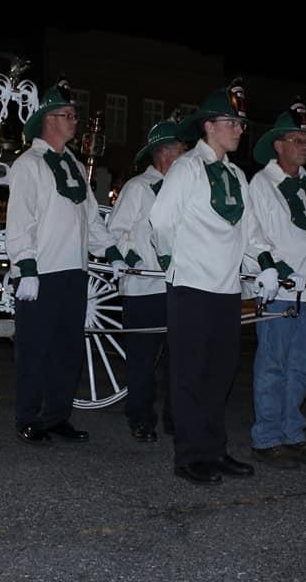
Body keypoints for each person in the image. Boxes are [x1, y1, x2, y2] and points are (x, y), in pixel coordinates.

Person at [150, 82, 265, 484]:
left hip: (226, 290)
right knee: (189, 375)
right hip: (192, 287)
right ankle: (190, 456)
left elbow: (249, 231)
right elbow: (161, 221)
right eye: (232, 122)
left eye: (240, 123)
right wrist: (171, 261)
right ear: (209, 127)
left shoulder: (236, 175)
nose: (239, 129)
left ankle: (214, 450)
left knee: (220, 374)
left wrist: (262, 264)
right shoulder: (187, 169)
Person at [6, 80, 126, 446]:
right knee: (35, 350)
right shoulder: (29, 164)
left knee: (67, 351)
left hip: (75, 272)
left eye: (75, 115)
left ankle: (57, 417)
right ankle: (29, 418)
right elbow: (20, 220)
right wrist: (25, 267)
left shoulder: (72, 163)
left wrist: (112, 252)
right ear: (48, 120)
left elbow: (90, 216)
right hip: (41, 274)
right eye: (68, 115)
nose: (75, 121)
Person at [247, 100, 306, 469]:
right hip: (281, 289)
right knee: (273, 364)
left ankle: (291, 433)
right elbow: (253, 235)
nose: (304, 145)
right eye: (296, 139)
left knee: (299, 368)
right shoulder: (262, 183)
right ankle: (266, 438)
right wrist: (275, 269)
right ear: (277, 145)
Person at [107, 117, 186, 442]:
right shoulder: (138, 188)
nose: (187, 154)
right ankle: (140, 417)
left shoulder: (185, 191)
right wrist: (132, 259)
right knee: (142, 361)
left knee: (180, 360)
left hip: (180, 286)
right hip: (145, 288)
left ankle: (176, 418)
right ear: (164, 153)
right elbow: (115, 230)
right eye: (182, 149)